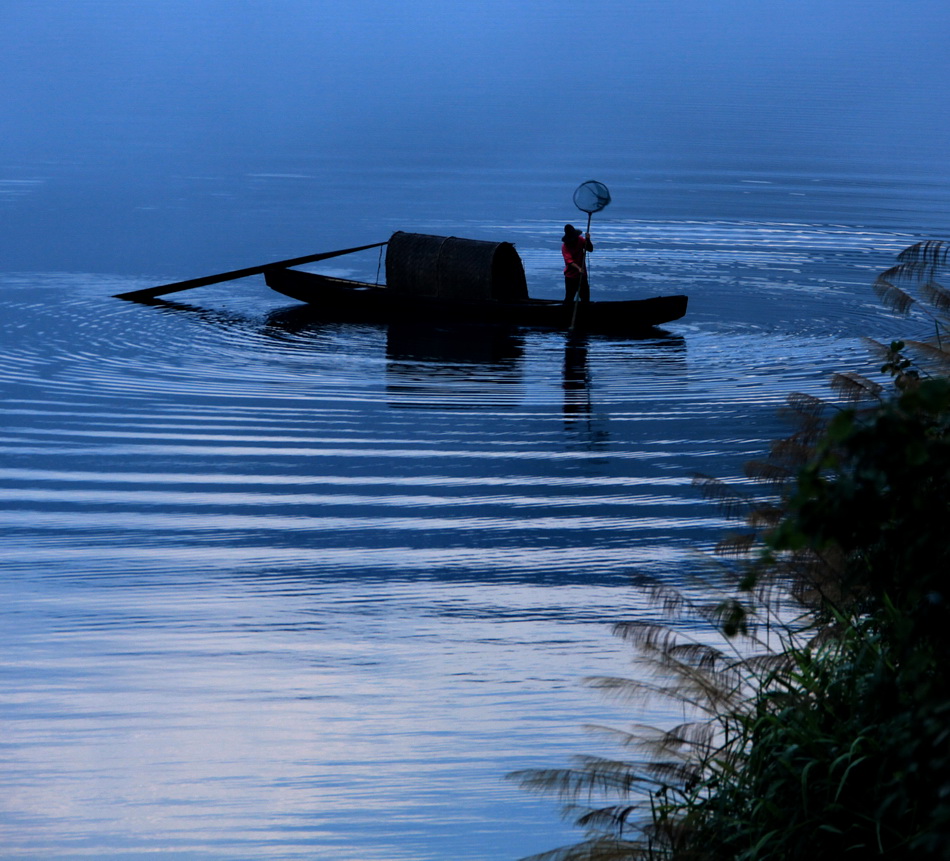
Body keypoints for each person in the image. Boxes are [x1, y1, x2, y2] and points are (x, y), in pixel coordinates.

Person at [561, 224, 593, 303]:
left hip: (582, 275)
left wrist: (588, 240)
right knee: (569, 298)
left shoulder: (580, 239)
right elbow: (569, 261)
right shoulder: (565, 246)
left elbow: (590, 249)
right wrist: (578, 268)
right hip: (571, 277)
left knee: (585, 299)